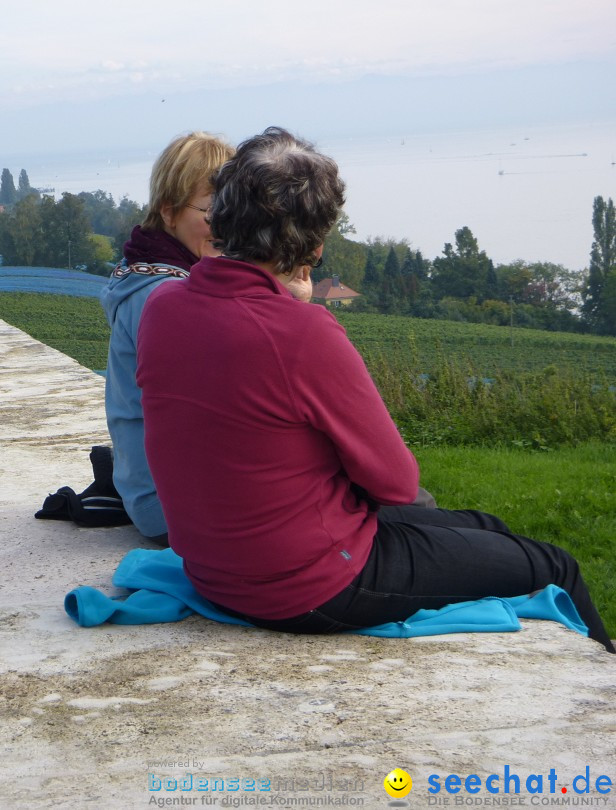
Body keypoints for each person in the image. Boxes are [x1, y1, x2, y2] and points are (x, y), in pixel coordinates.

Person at [137, 127, 613, 654]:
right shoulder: (303, 333)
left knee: (487, 528)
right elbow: (395, 482)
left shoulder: (164, 308)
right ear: (313, 246)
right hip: (307, 587)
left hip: (216, 572)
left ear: (222, 215)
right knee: (553, 567)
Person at [101, 132, 235, 545]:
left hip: (165, 489)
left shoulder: (149, 272)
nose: (226, 226)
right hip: (169, 502)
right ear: (169, 211)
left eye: (237, 211)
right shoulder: (163, 295)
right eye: (213, 210)